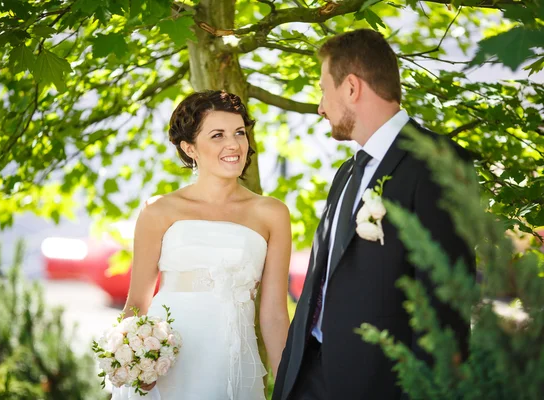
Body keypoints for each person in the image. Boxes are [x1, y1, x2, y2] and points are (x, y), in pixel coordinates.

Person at [273, 29, 475, 400]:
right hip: (307, 378)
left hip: (379, 384)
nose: (320, 107)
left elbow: (445, 303)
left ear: (351, 87)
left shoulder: (437, 164)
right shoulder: (346, 173)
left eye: (323, 90)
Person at [111, 90, 291, 400]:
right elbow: (137, 302)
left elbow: (274, 314)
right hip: (169, 366)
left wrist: (291, 387)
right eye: (217, 135)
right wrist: (135, 365)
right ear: (189, 148)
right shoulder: (158, 211)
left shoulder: (272, 213)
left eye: (239, 133)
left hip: (233, 360)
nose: (233, 144)